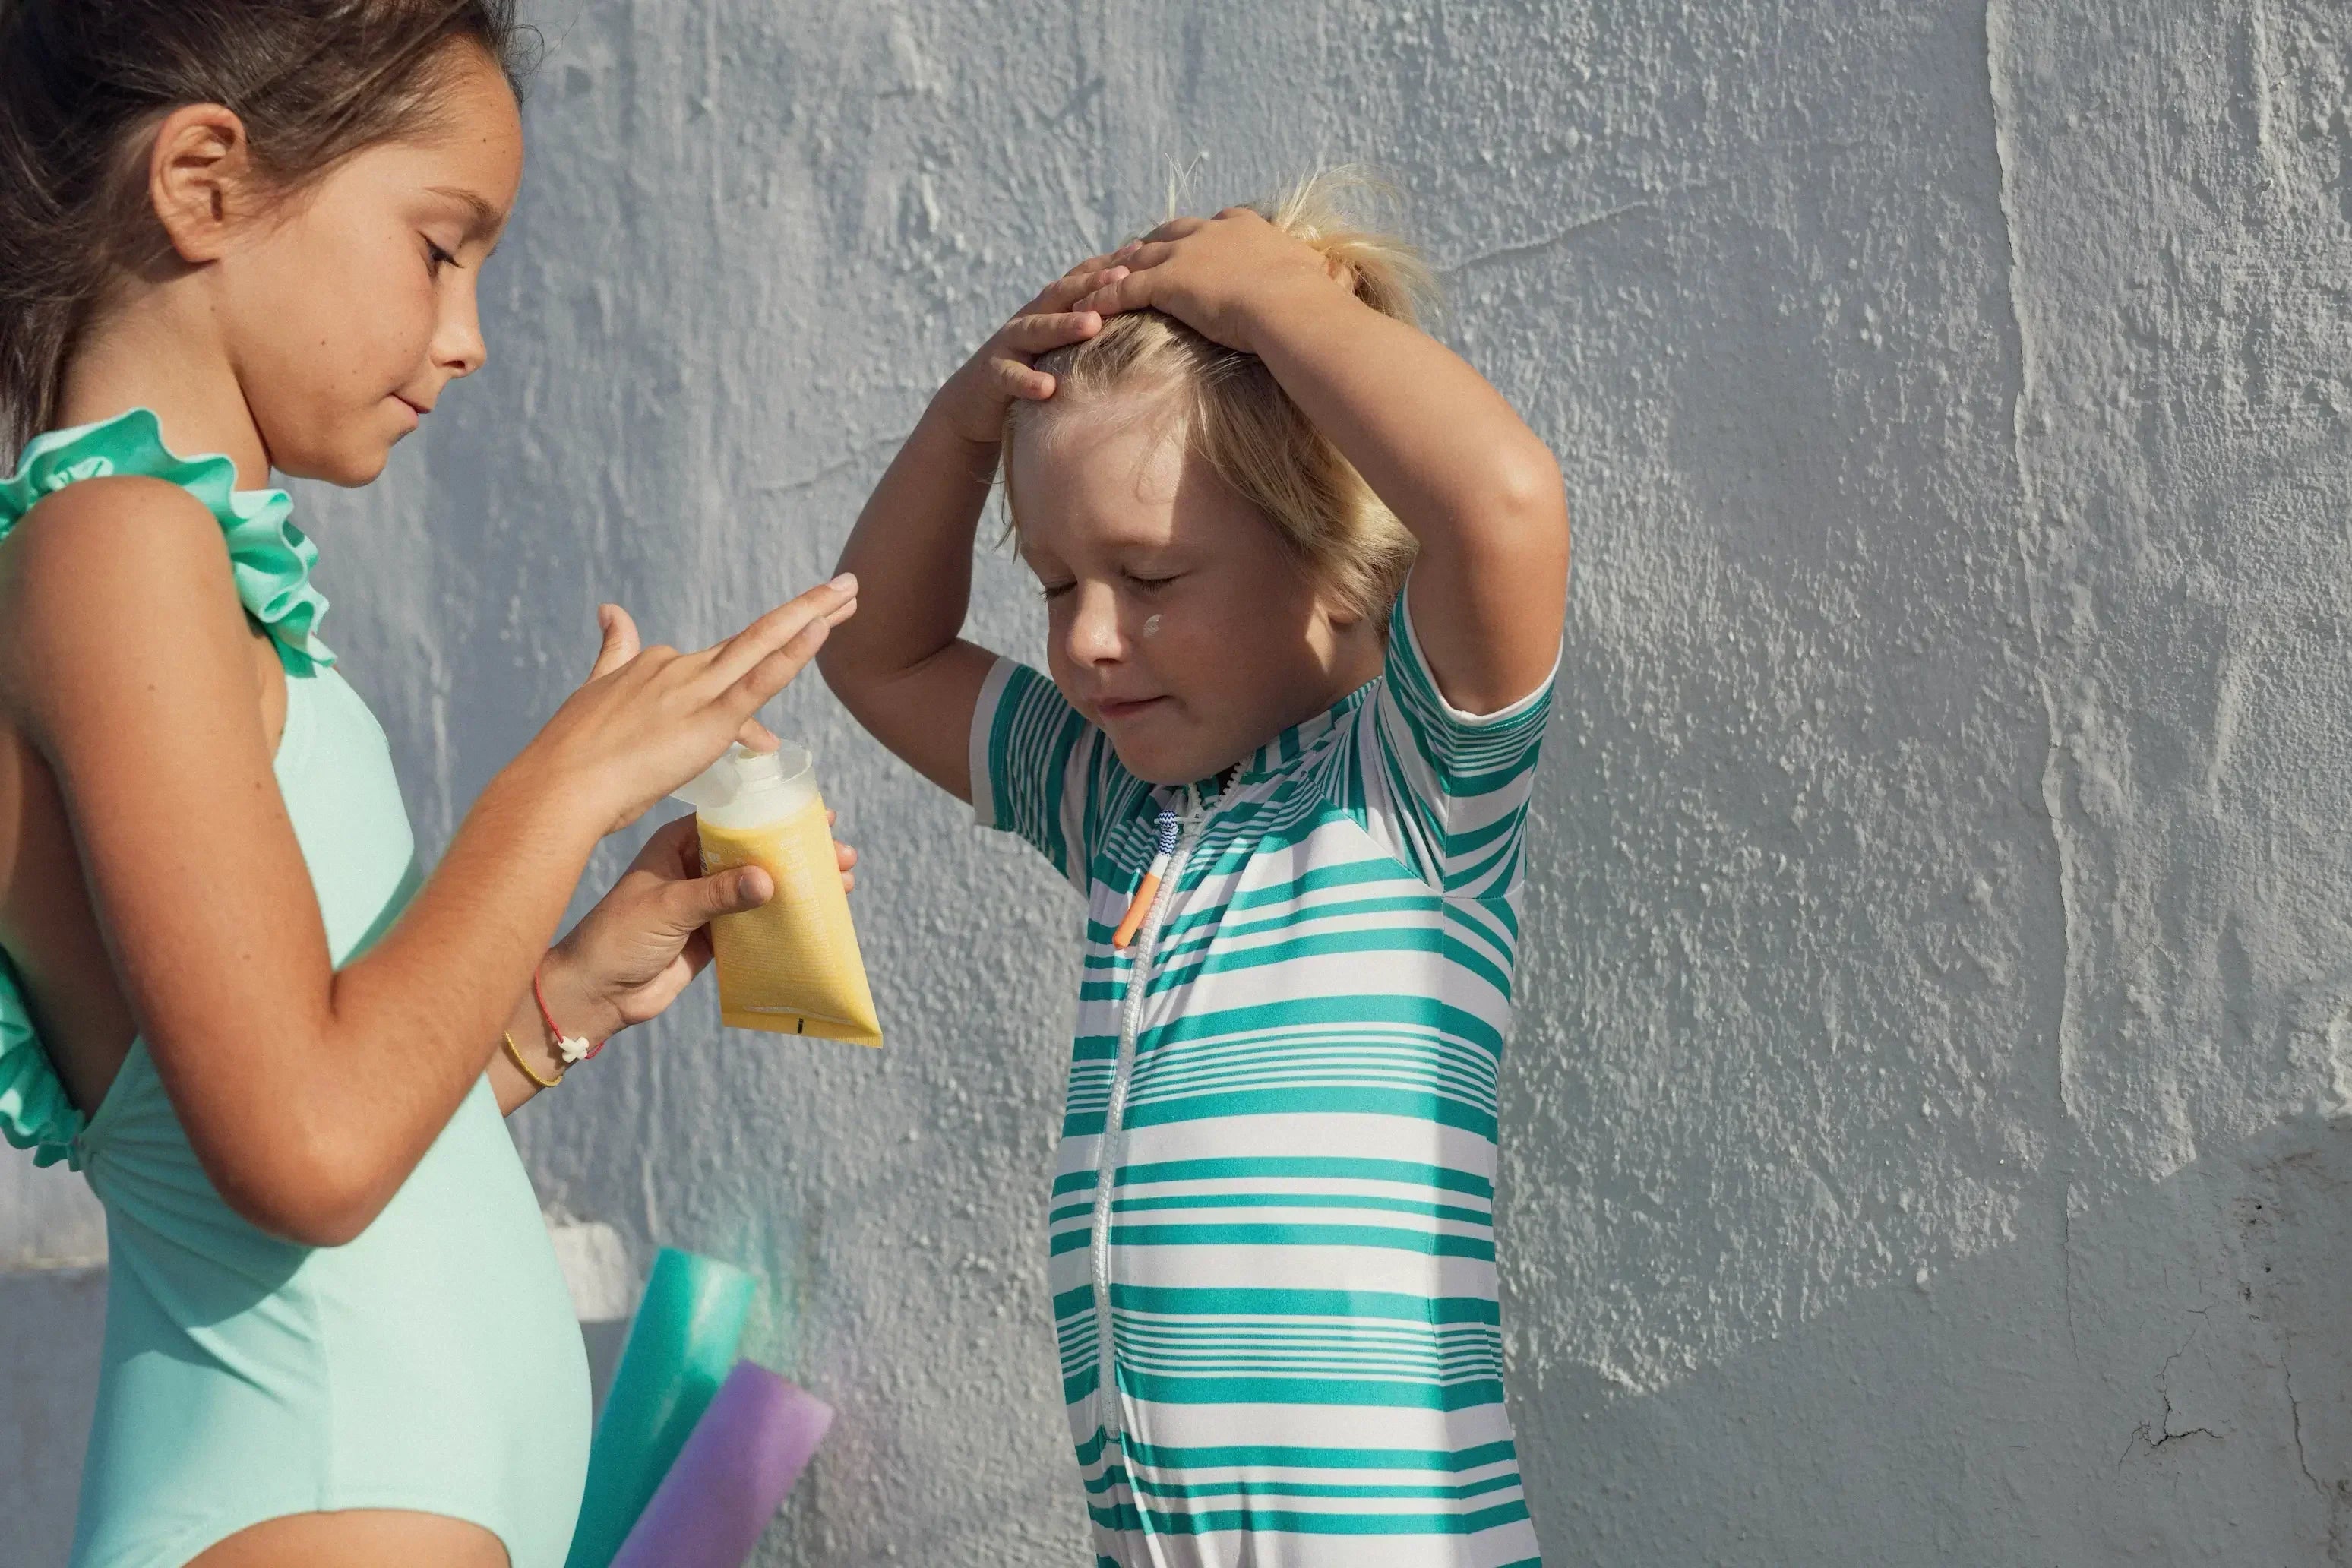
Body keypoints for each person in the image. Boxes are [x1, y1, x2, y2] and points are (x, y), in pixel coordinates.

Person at [0, 4, 858, 1564]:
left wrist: (565, 996)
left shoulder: (180, 577)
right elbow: (310, 1159)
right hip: (310, 1497)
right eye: (439, 246)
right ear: (204, 183)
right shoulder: (110, 549)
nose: (470, 335)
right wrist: (555, 793)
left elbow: (322, 1115)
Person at [820, 171, 1570, 1566]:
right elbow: (877, 648)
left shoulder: (1409, 787)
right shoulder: (1116, 808)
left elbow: (1506, 505)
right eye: (1055, 585)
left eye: (1151, 580)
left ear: (1332, 561)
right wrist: (965, 417)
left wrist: (1280, 307)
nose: (1089, 641)